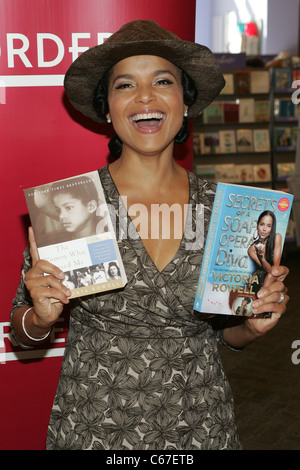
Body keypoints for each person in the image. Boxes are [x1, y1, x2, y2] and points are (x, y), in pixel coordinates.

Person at [10, 20, 289, 450]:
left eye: (162, 81)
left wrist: (251, 327)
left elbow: (225, 332)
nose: (145, 97)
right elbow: (23, 332)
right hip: (94, 425)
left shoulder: (229, 211)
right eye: (125, 85)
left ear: (184, 101)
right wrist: (40, 318)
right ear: (107, 108)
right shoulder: (73, 205)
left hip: (200, 425)